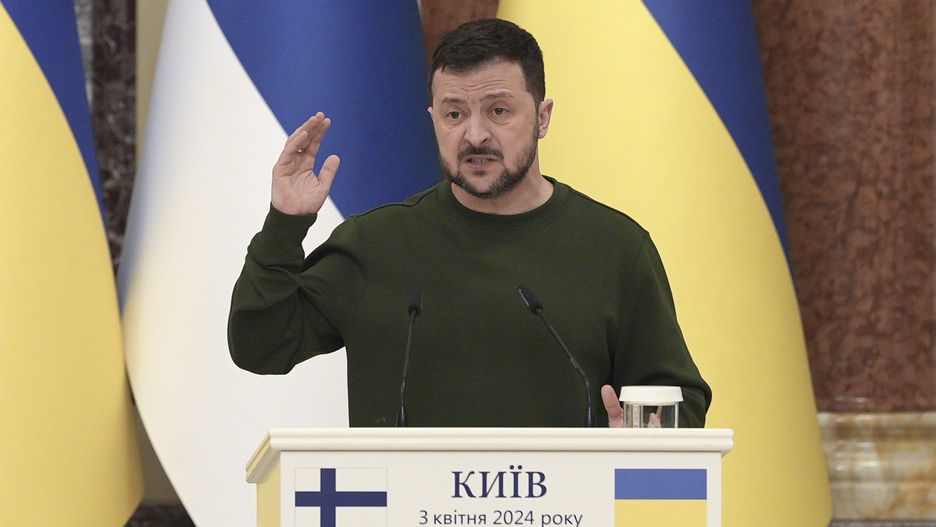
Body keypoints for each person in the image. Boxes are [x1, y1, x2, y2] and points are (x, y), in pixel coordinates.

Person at [228, 18, 711, 428]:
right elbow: (260, 346)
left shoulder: (614, 248)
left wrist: (639, 441)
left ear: (542, 118)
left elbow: (678, 399)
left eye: (498, 111)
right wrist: (284, 227)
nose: (474, 134)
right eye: (454, 113)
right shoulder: (375, 244)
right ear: (433, 118)